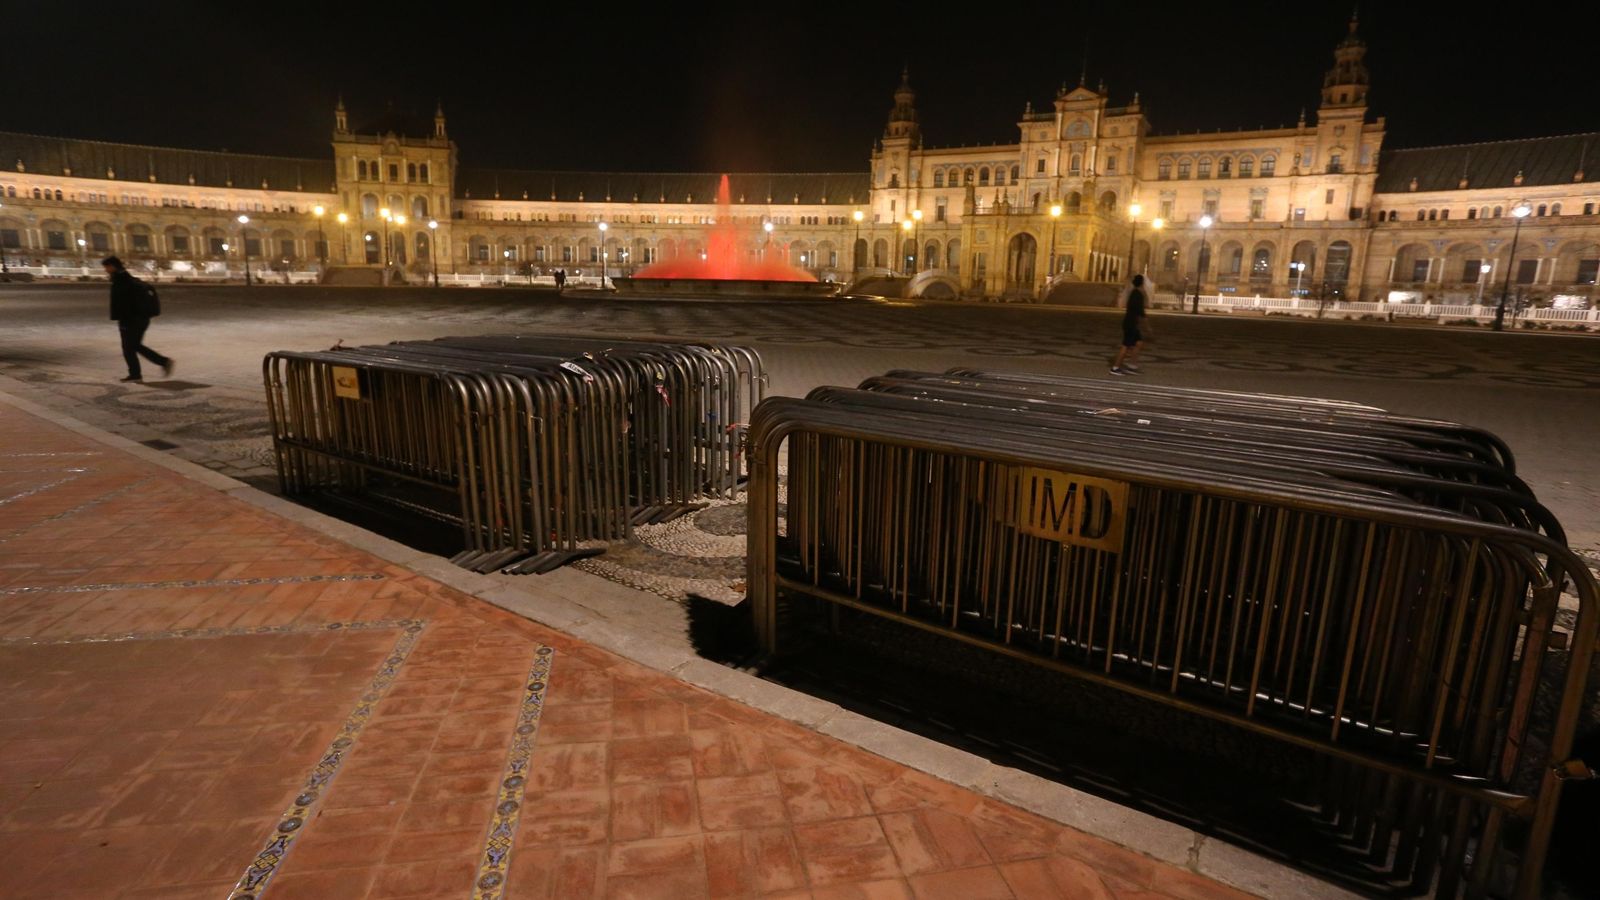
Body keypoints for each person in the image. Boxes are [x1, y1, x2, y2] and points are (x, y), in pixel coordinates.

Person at [104, 256, 174, 383]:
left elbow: (122, 304)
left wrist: (123, 321)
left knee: (129, 347)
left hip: (131, 320)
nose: (106, 270)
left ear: (113, 266)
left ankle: (161, 362)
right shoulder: (127, 279)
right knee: (132, 346)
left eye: (107, 267)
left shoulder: (121, 281)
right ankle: (139, 372)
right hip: (140, 319)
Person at [1110, 274, 1149, 376]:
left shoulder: (1135, 293)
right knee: (1125, 346)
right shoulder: (1138, 294)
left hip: (1131, 323)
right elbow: (1141, 312)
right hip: (1130, 323)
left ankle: (1132, 366)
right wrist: (1147, 327)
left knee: (1138, 343)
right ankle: (1115, 367)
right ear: (1142, 283)